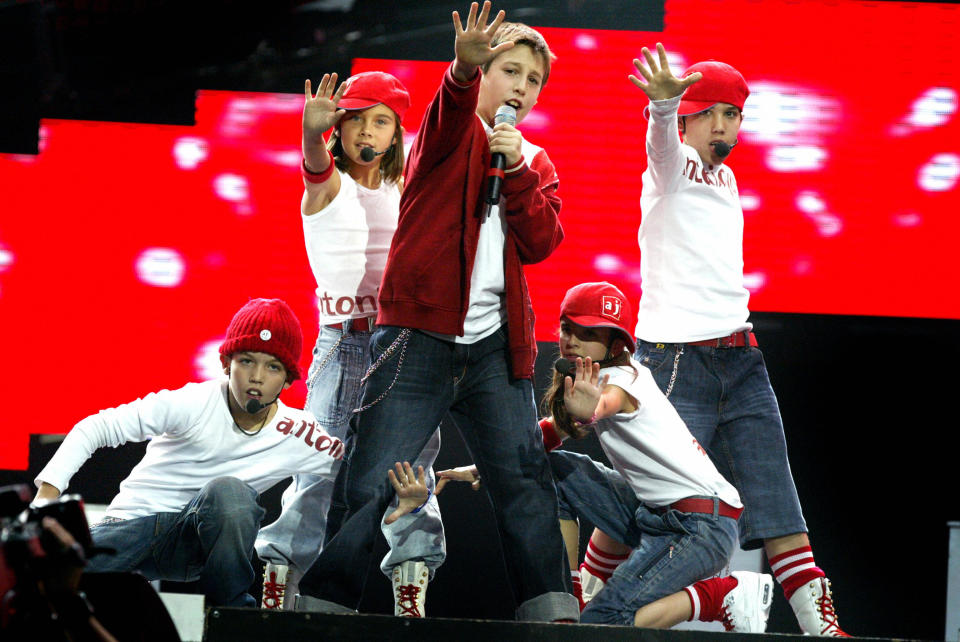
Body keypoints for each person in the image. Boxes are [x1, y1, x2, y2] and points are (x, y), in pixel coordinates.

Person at [294, 1, 577, 622]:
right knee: (367, 479)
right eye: (511, 71)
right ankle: (322, 610)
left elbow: (541, 242)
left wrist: (522, 172)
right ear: (486, 72)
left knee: (525, 484)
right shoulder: (444, 134)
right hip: (416, 338)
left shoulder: (533, 159)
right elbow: (452, 107)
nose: (522, 87)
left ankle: (553, 614)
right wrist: (462, 70)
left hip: (495, 349)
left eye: (533, 80)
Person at [628, 44, 848, 636]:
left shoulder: (725, 179)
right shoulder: (669, 169)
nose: (722, 124)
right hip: (676, 363)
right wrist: (663, 106)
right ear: (687, 119)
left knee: (778, 498)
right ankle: (590, 600)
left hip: (741, 360)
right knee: (650, 500)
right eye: (709, 113)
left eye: (733, 113)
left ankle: (820, 627)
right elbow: (661, 146)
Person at [32, 298, 425, 608]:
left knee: (231, 494)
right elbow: (94, 428)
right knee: (48, 581)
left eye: (272, 367)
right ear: (227, 363)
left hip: (197, 543)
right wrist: (45, 498)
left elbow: (362, 472)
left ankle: (236, 615)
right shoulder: (192, 402)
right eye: (246, 361)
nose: (256, 377)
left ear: (288, 378)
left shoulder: (299, 431)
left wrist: (416, 491)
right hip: (134, 526)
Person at [439, 281, 774, 631]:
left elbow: (604, 403)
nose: (571, 340)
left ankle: (720, 596)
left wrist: (588, 411)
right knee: (552, 467)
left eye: (587, 333)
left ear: (615, 344)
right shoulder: (605, 376)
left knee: (605, 623)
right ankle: (571, 600)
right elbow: (548, 436)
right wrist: (486, 466)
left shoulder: (622, 381)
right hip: (659, 515)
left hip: (700, 526)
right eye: (568, 328)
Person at [253, 70, 445, 617]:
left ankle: (411, 578)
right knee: (318, 466)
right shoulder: (328, 184)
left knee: (412, 470)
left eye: (380, 121)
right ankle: (282, 573)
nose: (366, 131)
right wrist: (312, 136)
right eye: (355, 119)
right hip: (343, 344)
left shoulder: (407, 188)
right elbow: (316, 166)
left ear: (395, 133)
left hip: (403, 344)